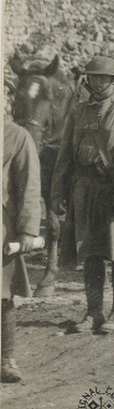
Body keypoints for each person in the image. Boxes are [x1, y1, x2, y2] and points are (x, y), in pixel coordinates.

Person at [52, 57, 114, 334]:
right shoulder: (79, 111)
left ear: (113, 80)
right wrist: (58, 191)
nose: (97, 82)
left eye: (103, 78)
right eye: (93, 77)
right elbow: (65, 156)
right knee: (91, 253)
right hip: (85, 190)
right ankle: (93, 312)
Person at [3, 120, 42, 381]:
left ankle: (5, 357)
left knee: (2, 293)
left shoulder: (16, 136)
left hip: (1, 226)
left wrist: (27, 230)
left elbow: (28, 185)